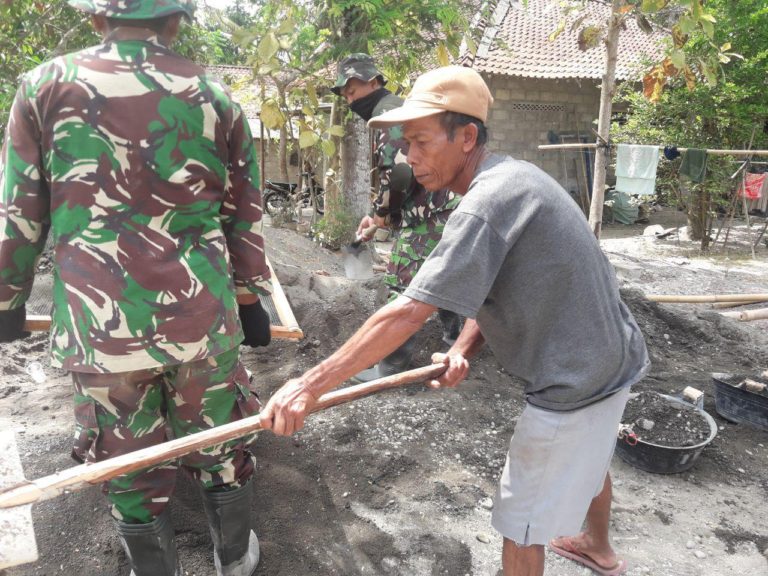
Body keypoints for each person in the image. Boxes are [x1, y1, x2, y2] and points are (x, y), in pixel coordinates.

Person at [261, 66, 649, 576]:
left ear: (467, 137)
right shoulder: (515, 177)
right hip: (614, 356)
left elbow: (408, 311)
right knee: (590, 455)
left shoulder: (485, 204)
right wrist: (461, 348)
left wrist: (307, 386)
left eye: (421, 141)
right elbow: (497, 286)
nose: (409, 156)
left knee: (520, 522)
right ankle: (597, 546)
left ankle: (587, 546)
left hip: (573, 381)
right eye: (406, 143)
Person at [0, 2, 271, 575]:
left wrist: (7, 301)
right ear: (176, 21)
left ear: (96, 19)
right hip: (200, 317)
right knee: (219, 441)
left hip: (101, 326)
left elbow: (20, 214)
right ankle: (233, 558)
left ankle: (153, 568)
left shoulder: (44, 87)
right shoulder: (215, 96)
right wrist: (250, 298)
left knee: (125, 459)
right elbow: (242, 211)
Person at [330, 53, 462, 381]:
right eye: (345, 94)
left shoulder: (387, 115)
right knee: (446, 273)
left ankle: (390, 368)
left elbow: (400, 173)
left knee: (400, 283)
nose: (350, 100)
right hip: (445, 205)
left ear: (374, 81)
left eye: (352, 90)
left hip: (428, 212)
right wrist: (377, 216)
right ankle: (456, 345)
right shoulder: (397, 107)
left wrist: (381, 214)